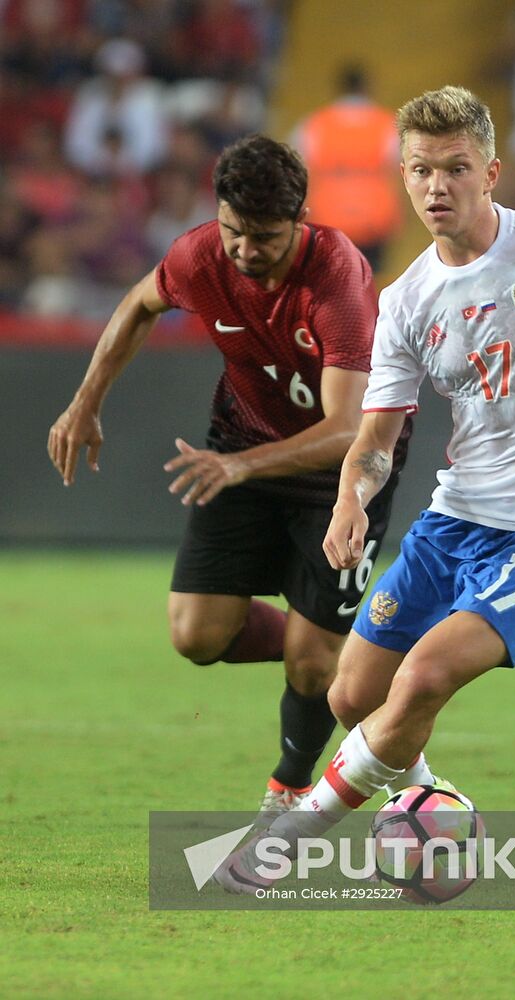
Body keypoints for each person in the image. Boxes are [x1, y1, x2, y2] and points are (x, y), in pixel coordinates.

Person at [213, 86, 515, 893]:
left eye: (456, 169)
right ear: (403, 177)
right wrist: (349, 500)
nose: (437, 186)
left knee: (424, 676)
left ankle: (283, 845)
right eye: (421, 170)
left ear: (491, 173)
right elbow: (378, 434)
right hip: (455, 520)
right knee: (351, 691)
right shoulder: (399, 301)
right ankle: (425, 798)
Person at [47, 134, 411, 821]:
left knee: (309, 664)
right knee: (196, 635)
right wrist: (84, 401)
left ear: (299, 221)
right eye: (234, 230)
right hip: (241, 443)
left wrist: (239, 466)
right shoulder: (200, 256)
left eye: (265, 237)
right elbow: (138, 304)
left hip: (341, 476)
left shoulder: (339, 278)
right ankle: (333, 650)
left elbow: (346, 431)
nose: (245, 250)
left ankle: (289, 786)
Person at [292, 64, 403, 273]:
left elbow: (294, 167)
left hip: (328, 217)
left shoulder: (314, 124)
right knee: (370, 282)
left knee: (333, 281)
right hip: (375, 219)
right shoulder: (386, 124)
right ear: (367, 88)